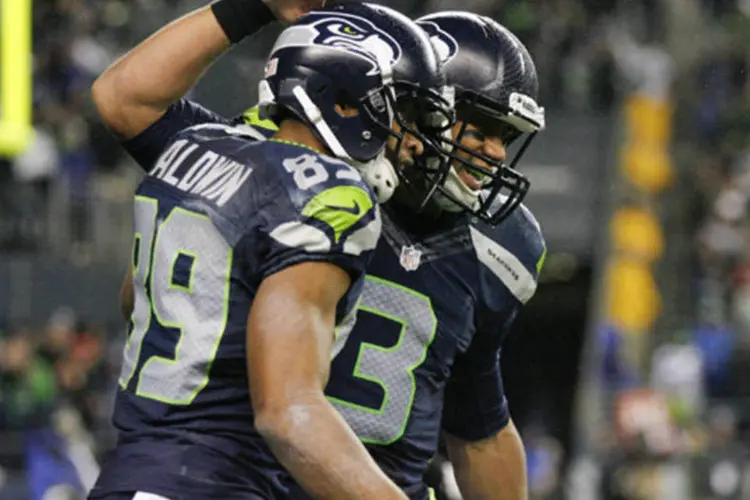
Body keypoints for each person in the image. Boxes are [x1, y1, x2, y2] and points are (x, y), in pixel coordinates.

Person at [87, 1, 453, 499]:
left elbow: (136, 297)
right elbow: (288, 413)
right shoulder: (330, 193)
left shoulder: (197, 147)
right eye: (403, 114)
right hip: (217, 483)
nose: (412, 141)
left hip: (133, 475)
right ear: (346, 102)